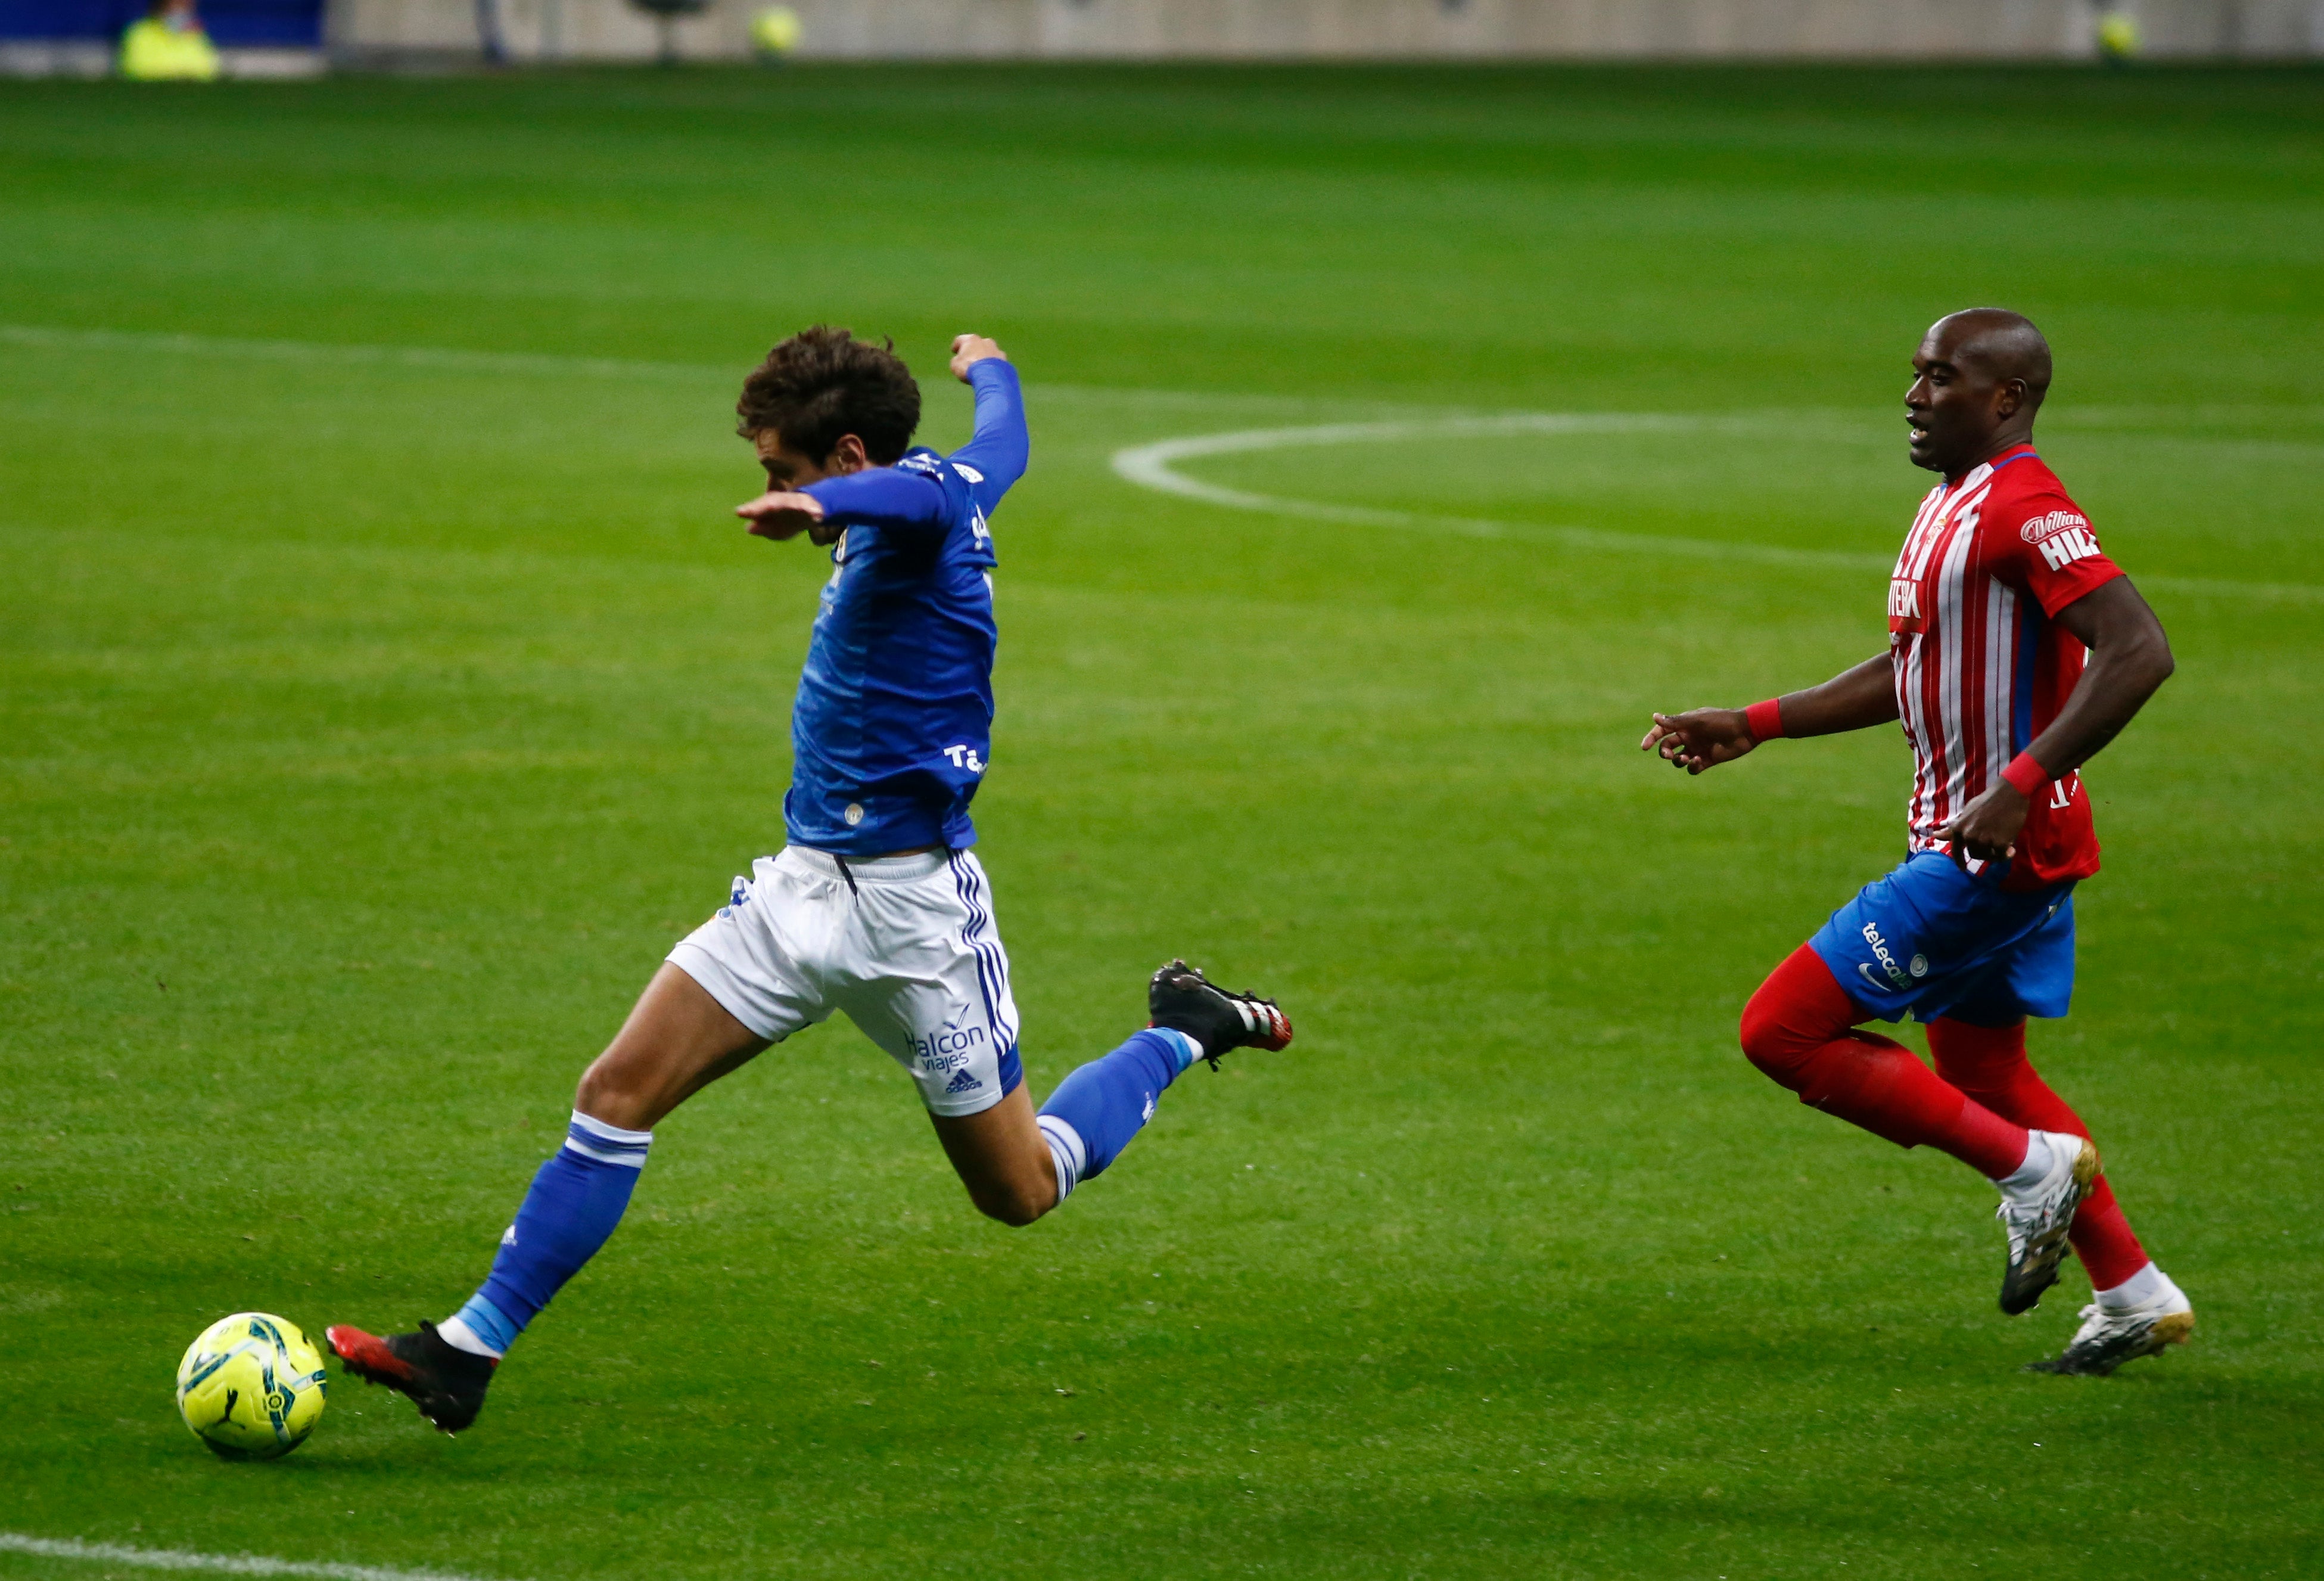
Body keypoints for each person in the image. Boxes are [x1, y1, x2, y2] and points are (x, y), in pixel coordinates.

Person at [326, 329, 1293, 1433]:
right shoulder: (960, 477)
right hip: (797, 891)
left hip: (914, 918)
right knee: (616, 1091)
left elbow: (911, 501)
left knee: (1019, 1188)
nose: (771, 493)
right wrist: (991, 369)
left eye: (781, 473)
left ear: (845, 456)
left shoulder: (916, 511)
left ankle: (1183, 1029)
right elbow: (1005, 443)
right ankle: (467, 1351)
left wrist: (829, 510)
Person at [1641, 309, 2192, 1377]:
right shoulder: (1952, 504)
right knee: (1982, 1066)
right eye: (1915, 373)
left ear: (2007, 400)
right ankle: (2133, 1292)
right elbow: (1914, 673)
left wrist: (2017, 783)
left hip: (1991, 851)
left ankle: (2030, 1174)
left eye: (1943, 377)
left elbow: (2138, 650)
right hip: (1995, 839)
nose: (1915, 393)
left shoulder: (2026, 509)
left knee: (1782, 1031)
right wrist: (1753, 723)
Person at [119, 0, 222, 80]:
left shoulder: (197, 36)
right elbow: (136, 70)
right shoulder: (139, 32)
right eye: (177, 3)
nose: (181, 10)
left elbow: (208, 73)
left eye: (186, 4)